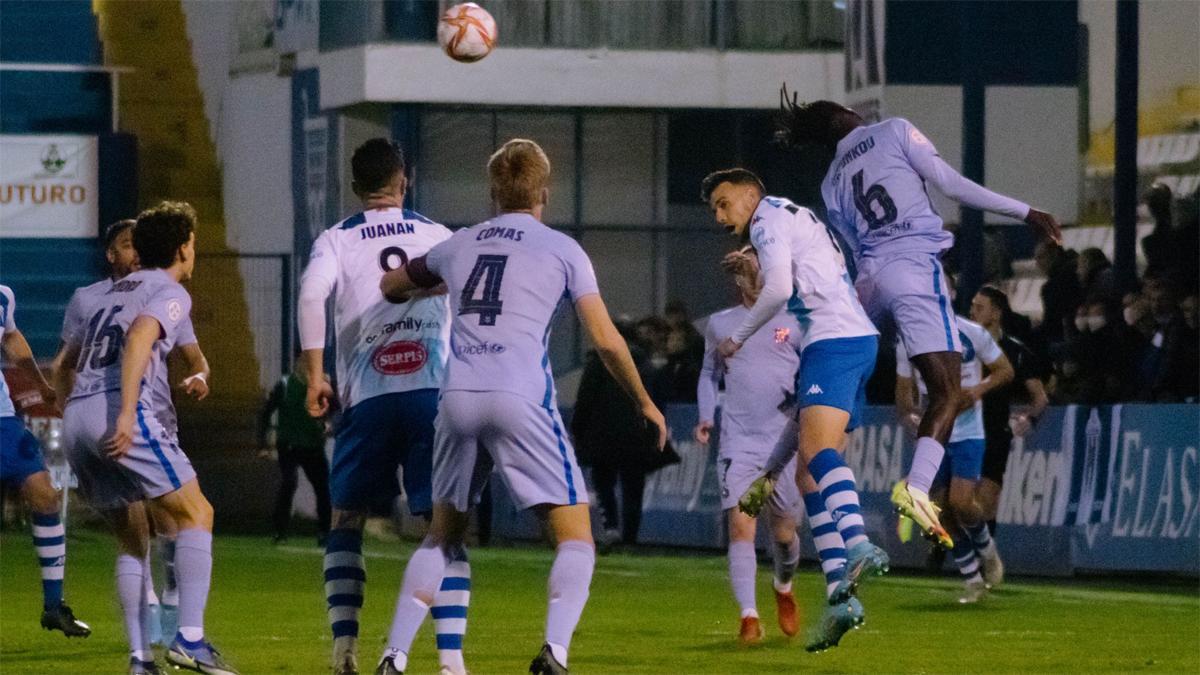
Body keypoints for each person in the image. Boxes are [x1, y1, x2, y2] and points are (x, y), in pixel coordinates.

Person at [378, 138, 666, 675]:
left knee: (441, 537)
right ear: (544, 193)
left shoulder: (459, 244)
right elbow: (605, 340)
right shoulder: (562, 249)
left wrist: (435, 288)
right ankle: (554, 652)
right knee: (576, 540)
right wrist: (644, 401)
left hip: (458, 398)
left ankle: (393, 655)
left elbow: (392, 284)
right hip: (520, 397)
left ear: (493, 192)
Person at [774, 94, 1062, 547]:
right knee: (947, 391)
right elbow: (952, 184)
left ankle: (778, 458)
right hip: (912, 267)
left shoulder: (831, 182)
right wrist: (1025, 211)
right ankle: (918, 487)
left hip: (869, 279)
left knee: (834, 370)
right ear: (845, 115)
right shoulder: (893, 129)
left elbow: (851, 248)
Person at [297, 138, 466, 675]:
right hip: (430, 395)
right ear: (403, 181)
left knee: (345, 519)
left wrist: (316, 376)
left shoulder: (337, 238)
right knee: (444, 526)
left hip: (366, 399)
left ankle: (345, 649)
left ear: (355, 187)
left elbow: (311, 296)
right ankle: (450, 659)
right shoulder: (438, 234)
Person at [702, 168, 884, 651]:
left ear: (749, 194)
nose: (719, 215)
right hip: (854, 340)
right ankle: (840, 597)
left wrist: (739, 338)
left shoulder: (766, 218)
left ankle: (858, 544)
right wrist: (769, 472)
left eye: (723, 203)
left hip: (834, 341)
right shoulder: (789, 218)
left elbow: (779, 289)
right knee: (807, 473)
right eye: (714, 208)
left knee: (819, 457)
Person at [57, 202, 236, 674]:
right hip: (120, 411)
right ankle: (190, 639)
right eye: (193, 243)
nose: (194, 251)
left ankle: (140, 660)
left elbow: (64, 364)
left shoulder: (111, 293)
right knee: (197, 513)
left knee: (133, 541)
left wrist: (72, 416)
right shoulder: (168, 290)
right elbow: (139, 338)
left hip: (78, 416)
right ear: (182, 248)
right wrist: (125, 415)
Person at [694, 246, 803, 644]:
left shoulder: (795, 321)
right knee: (741, 525)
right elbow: (708, 374)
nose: (754, 279)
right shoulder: (721, 324)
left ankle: (783, 587)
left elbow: (812, 373)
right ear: (737, 279)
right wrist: (706, 415)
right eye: (747, 272)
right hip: (739, 443)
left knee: (784, 534)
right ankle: (749, 616)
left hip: (783, 445)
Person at [895, 314, 1012, 603]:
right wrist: (910, 415)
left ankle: (987, 551)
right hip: (935, 432)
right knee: (938, 511)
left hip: (968, 432)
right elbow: (904, 391)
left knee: (961, 501)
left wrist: (977, 391)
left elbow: (1005, 370)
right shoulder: (908, 338)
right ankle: (972, 580)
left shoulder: (971, 332)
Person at [0, 284, 92, 639]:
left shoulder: (3, 295)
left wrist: (40, 385)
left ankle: (54, 606)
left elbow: (11, 337)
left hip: (4, 420)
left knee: (45, 496)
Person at [969, 287, 1049, 536]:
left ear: (996, 313)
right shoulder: (963, 349)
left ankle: (984, 555)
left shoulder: (1016, 352)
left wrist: (1029, 418)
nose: (972, 312)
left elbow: (1039, 397)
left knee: (986, 501)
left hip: (995, 433)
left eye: (979, 307)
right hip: (962, 431)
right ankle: (947, 548)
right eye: (972, 306)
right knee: (956, 500)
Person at [570, 319, 654, 547]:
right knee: (633, 487)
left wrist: (577, 428)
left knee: (603, 482)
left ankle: (611, 528)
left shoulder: (598, 361)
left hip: (602, 434)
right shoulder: (644, 362)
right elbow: (655, 396)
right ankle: (630, 538)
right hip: (636, 435)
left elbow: (585, 398)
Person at [256, 361, 331, 544]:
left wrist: (326, 425)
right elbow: (266, 412)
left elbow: (331, 411)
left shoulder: (322, 385)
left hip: (312, 444)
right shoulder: (285, 384)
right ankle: (280, 531)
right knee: (289, 483)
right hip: (289, 443)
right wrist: (263, 444)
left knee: (322, 487)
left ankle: (325, 532)